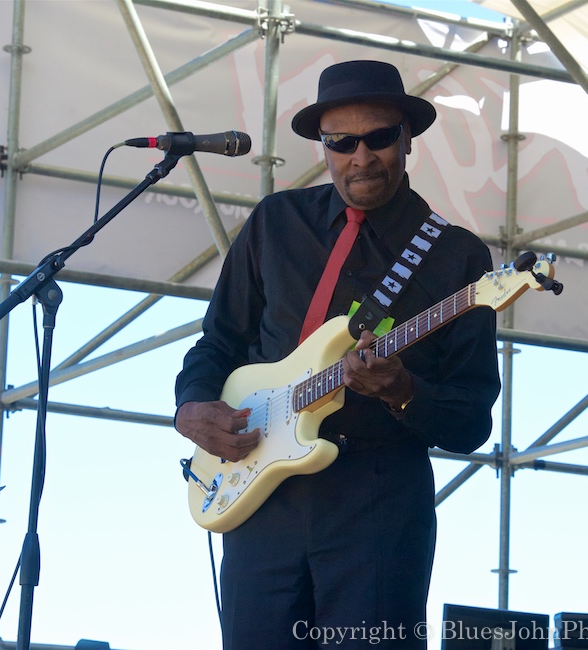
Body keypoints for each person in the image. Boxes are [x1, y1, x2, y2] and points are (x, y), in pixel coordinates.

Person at [173, 60, 501, 649]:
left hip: (378, 506)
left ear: (407, 139)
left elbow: (472, 418)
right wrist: (191, 405)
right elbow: (218, 340)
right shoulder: (276, 222)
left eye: (378, 138)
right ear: (323, 146)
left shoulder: (456, 259)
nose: (361, 156)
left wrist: (404, 391)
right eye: (341, 142)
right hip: (258, 500)